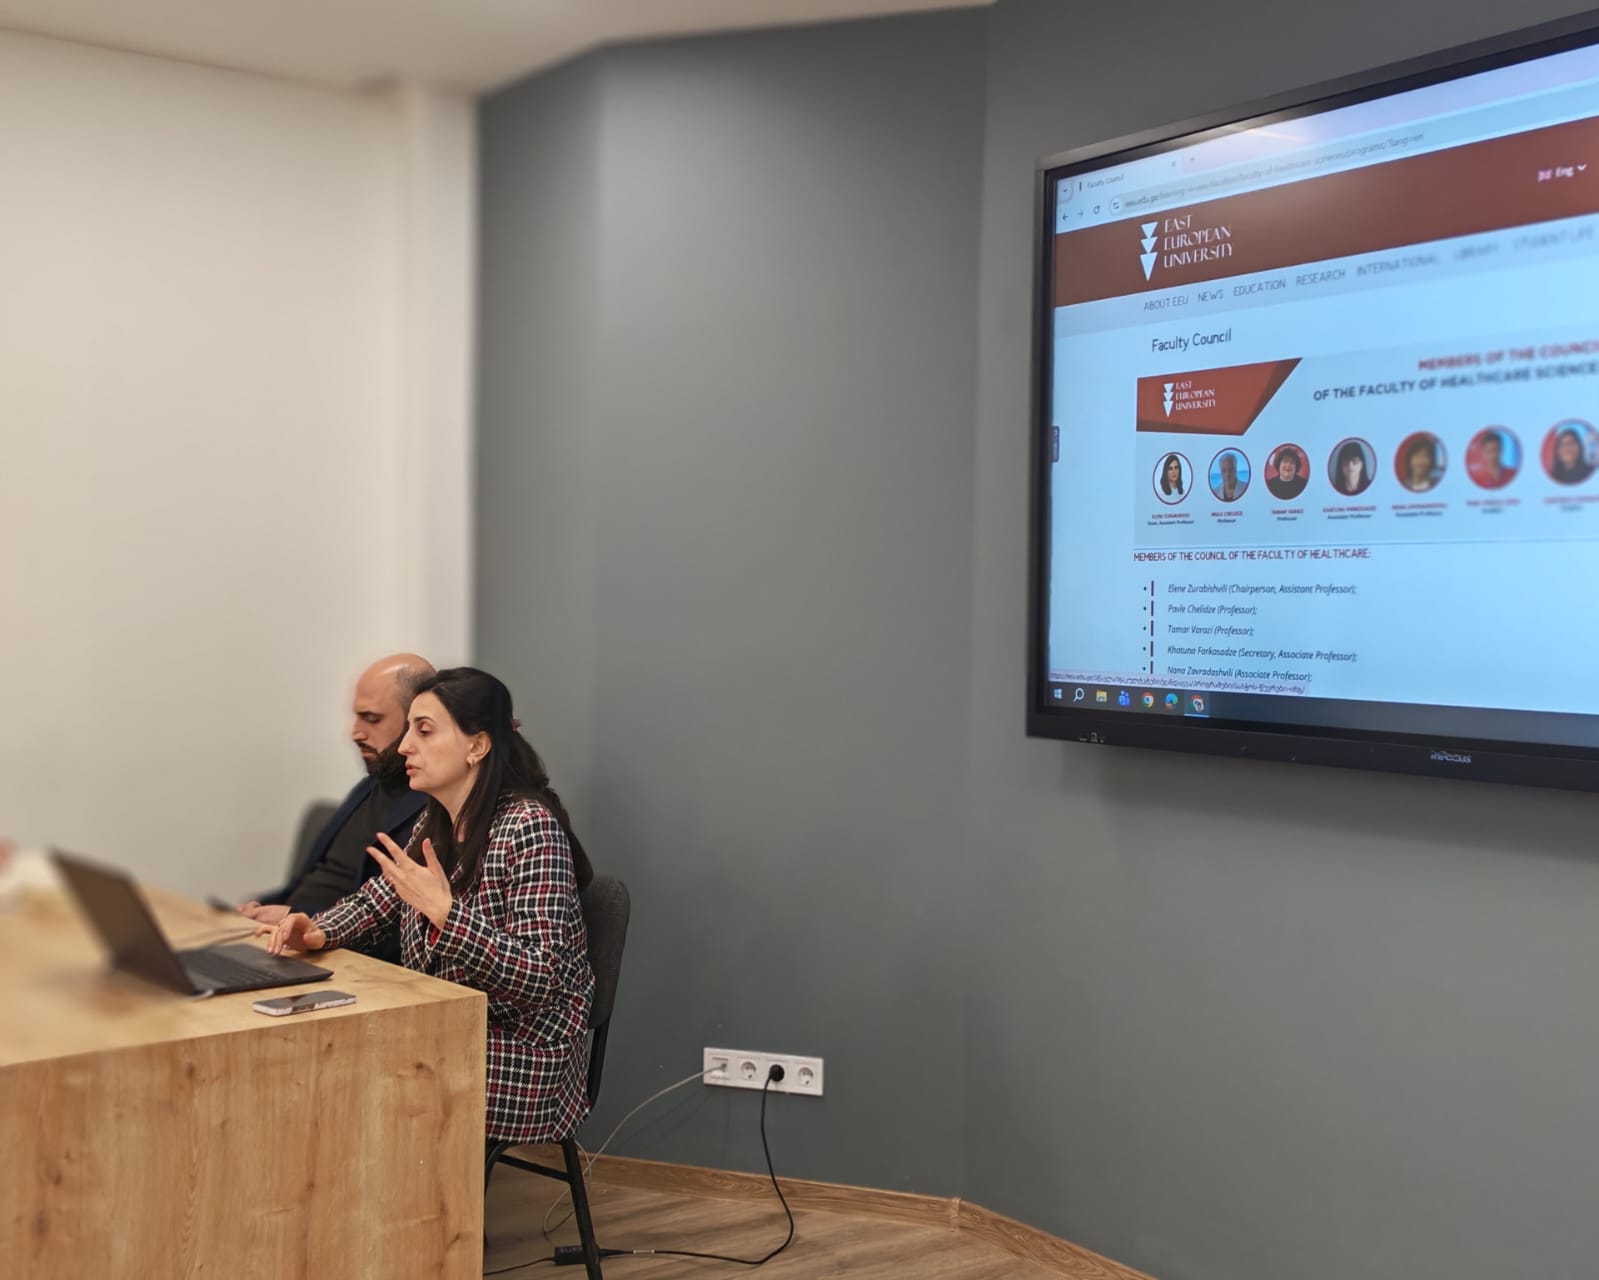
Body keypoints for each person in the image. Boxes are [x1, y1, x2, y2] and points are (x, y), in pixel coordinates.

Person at [261, 667, 596, 1147]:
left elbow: (541, 978)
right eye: (408, 730)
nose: (404, 747)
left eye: (424, 731)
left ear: (476, 746)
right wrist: (317, 929)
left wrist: (447, 915)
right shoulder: (435, 821)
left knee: (347, 1066)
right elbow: (379, 900)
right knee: (320, 1050)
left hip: (523, 1053)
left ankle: (396, 1197)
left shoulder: (530, 827)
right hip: (449, 1025)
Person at [239, 654, 434, 956]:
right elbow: (311, 882)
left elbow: (397, 925)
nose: (355, 732)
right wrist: (260, 908)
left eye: (372, 719)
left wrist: (304, 920)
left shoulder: (438, 809)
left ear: (419, 723)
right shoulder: (370, 786)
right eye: (356, 717)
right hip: (288, 938)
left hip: (336, 951)